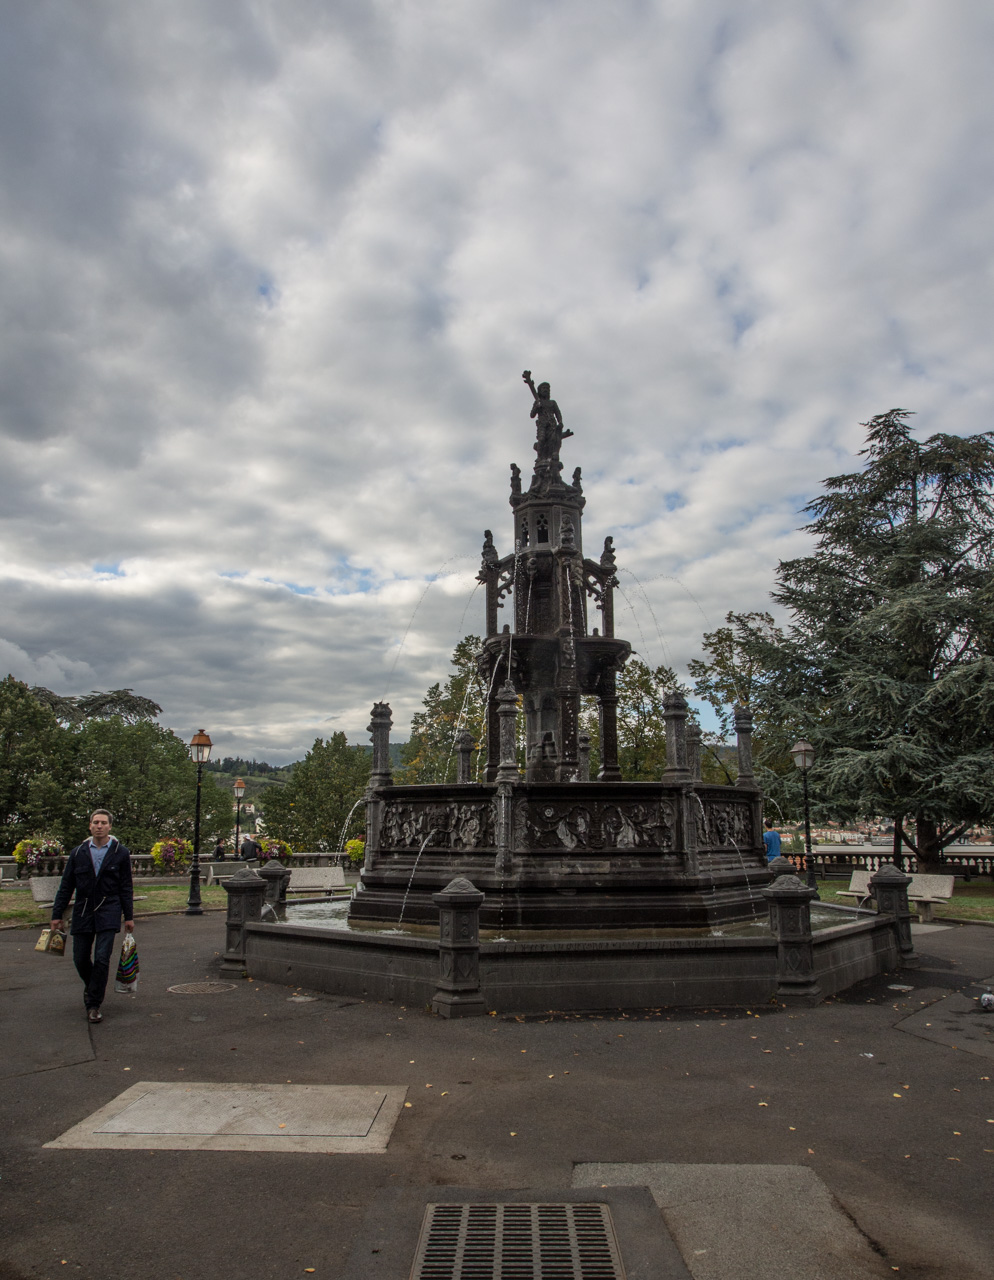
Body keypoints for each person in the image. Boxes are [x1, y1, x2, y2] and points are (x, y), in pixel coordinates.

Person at [50, 810, 134, 1024]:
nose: (99, 826)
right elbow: (66, 886)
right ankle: (93, 986)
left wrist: (129, 916)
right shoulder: (78, 853)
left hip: (109, 909)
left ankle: (93, 1005)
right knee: (80, 958)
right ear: (89, 826)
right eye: (95, 822)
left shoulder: (120, 852)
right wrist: (57, 914)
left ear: (110, 827)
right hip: (83, 910)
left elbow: (126, 886)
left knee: (102, 958)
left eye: (103, 823)